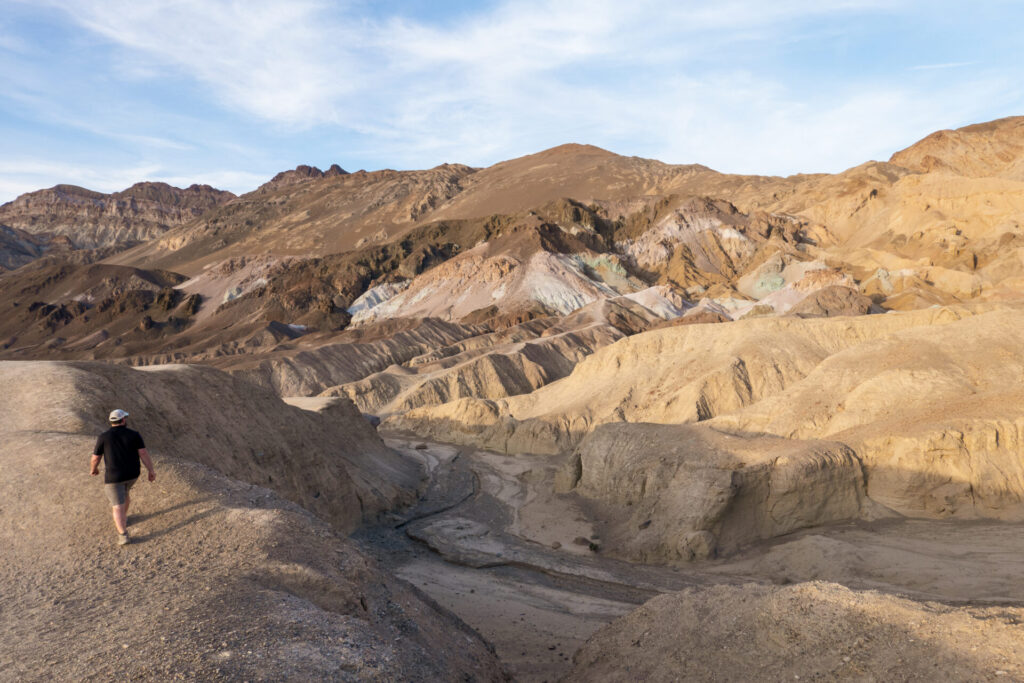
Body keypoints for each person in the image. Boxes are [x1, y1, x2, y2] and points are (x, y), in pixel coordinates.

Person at [90, 409, 155, 546]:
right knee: (125, 494)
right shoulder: (134, 435)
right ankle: (124, 518)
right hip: (132, 475)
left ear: (111, 422)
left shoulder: (104, 437)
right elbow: (143, 453)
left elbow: (96, 458)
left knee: (117, 506)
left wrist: (94, 469)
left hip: (114, 478)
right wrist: (151, 470)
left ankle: (123, 535)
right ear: (123, 420)